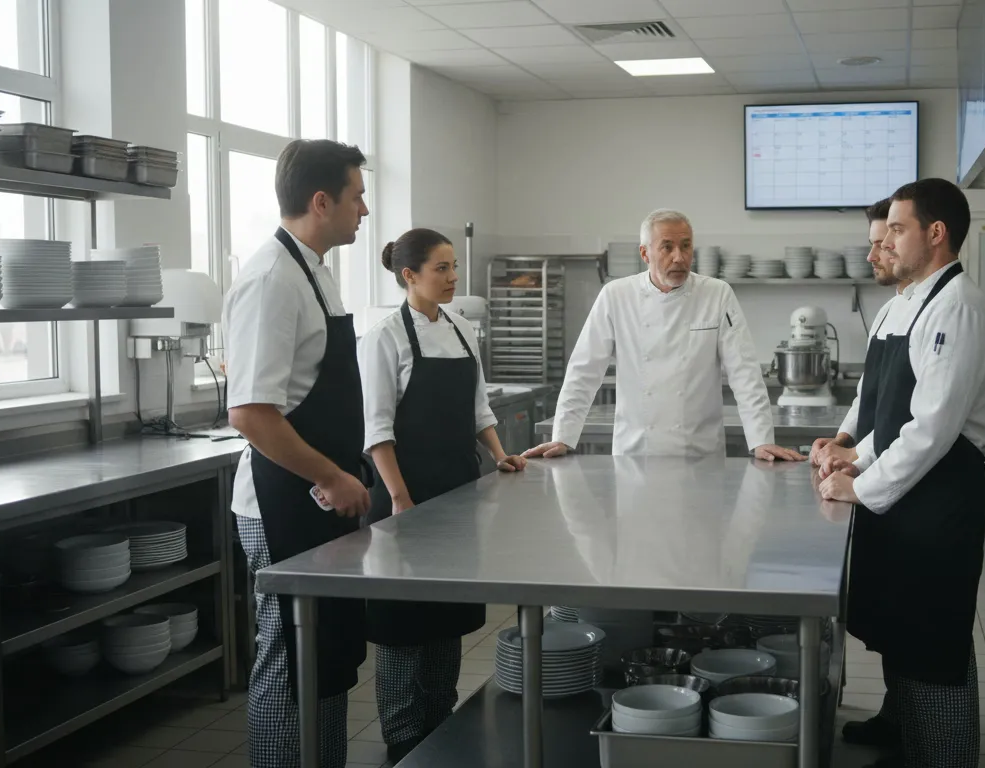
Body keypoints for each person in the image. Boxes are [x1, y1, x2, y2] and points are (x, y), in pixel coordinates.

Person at [817, 178, 985, 768]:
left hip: (940, 491)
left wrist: (860, 485)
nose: (885, 243)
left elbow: (931, 428)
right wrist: (851, 450)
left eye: (897, 230)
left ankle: (945, 755)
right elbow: (887, 406)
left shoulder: (958, 306)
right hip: (908, 491)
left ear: (936, 232)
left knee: (933, 633)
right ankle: (900, 725)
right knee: (901, 620)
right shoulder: (907, 302)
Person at [224, 139, 372, 768]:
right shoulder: (271, 279)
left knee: (323, 658)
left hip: (314, 500)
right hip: (282, 501)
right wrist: (332, 476)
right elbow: (250, 413)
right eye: (357, 196)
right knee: (290, 657)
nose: (365, 209)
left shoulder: (313, 271)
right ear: (321, 201)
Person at [359, 228, 527, 764]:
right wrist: (400, 500)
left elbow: (478, 408)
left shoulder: (461, 328)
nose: (454, 277)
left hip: (456, 495)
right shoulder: (383, 338)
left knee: (446, 618)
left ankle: (439, 728)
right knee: (402, 624)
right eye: (442, 268)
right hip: (405, 498)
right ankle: (402, 739)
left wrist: (499, 454)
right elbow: (377, 430)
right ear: (409, 275)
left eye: (454, 267)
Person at [523, 208, 803, 461]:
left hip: (700, 453)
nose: (679, 257)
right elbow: (584, 371)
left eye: (686, 246)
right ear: (645, 254)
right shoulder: (616, 296)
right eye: (667, 247)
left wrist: (761, 440)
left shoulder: (717, 294)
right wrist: (563, 436)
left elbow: (745, 373)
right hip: (635, 454)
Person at [810, 198, 911, 468]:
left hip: (902, 468)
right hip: (876, 465)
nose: (871, 256)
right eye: (873, 244)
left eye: (883, 245)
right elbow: (867, 395)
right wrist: (842, 440)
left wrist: (855, 456)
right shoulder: (888, 311)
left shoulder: (941, 310)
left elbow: (912, 420)